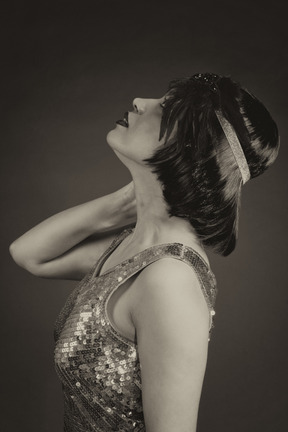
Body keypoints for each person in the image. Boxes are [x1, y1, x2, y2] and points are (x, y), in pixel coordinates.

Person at [9, 73, 279, 432]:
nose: (139, 101)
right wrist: (121, 202)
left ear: (191, 148)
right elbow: (28, 254)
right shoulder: (133, 245)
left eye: (166, 109)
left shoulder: (168, 279)